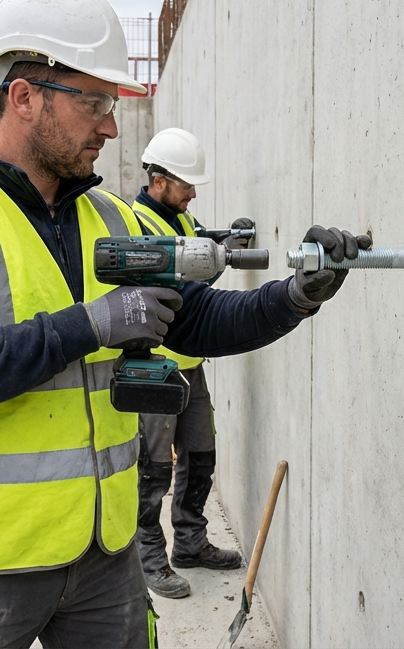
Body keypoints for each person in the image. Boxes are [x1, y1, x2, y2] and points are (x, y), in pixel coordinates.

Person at [0, 0, 370, 649]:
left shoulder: (111, 219)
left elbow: (197, 321)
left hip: (103, 557)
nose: (110, 124)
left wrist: (296, 294)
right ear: (23, 97)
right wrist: (92, 325)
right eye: (96, 102)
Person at [129, 127, 252, 599]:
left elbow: (199, 241)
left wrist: (227, 239)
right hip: (157, 366)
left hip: (189, 363)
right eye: (186, 185)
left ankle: (191, 543)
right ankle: (150, 558)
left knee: (201, 454)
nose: (193, 193)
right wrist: (221, 255)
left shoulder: (179, 219)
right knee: (153, 468)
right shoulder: (139, 226)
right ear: (158, 181)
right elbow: (185, 273)